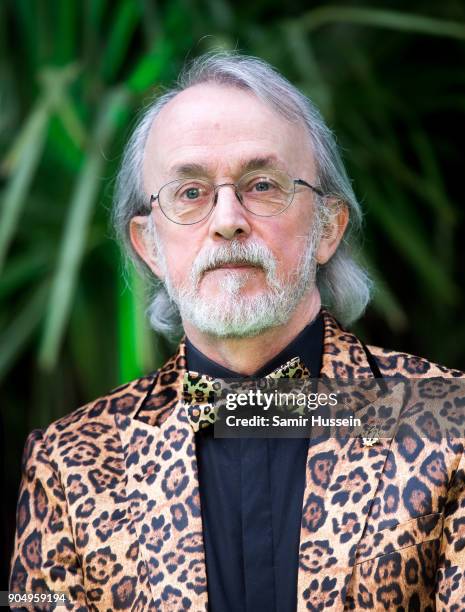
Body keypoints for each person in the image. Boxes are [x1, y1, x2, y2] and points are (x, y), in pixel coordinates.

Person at [9, 52, 465, 611]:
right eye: (191, 193)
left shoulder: (451, 427)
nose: (227, 219)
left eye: (263, 185)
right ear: (150, 246)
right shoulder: (68, 463)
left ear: (327, 228)